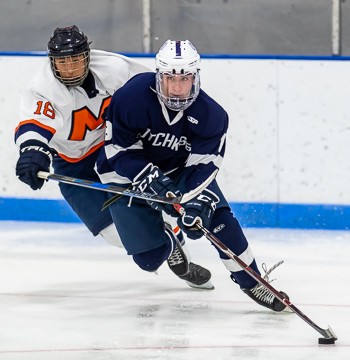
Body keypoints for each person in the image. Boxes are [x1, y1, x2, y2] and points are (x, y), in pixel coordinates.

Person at [96, 39, 289, 312]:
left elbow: (204, 167)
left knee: (216, 216)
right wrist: (145, 175)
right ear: (158, 76)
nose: (177, 87)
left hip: (179, 171)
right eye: (170, 79)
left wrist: (194, 199)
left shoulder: (212, 115)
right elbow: (117, 150)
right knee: (149, 259)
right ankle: (169, 237)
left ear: (195, 77)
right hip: (125, 175)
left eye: (185, 78)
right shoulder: (131, 97)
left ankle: (253, 280)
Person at [14, 26, 213, 290]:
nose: (70, 68)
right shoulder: (43, 88)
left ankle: (169, 237)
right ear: (52, 62)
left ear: (87, 55)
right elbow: (34, 125)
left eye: (75, 59)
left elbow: (154, 90)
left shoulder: (114, 68)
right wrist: (32, 151)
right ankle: (168, 235)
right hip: (72, 164)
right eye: (63, 62)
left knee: (144, 230)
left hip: (114, 152)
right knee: (114, 234)